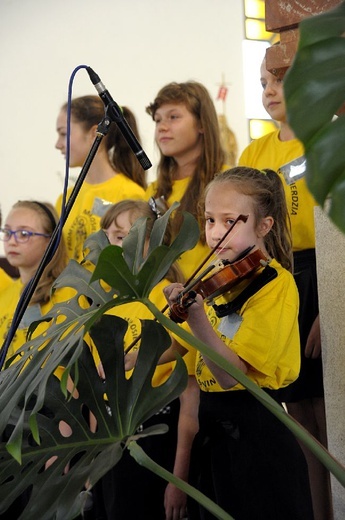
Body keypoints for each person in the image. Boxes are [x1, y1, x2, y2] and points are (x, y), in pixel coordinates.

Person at [163, 167, 314, 520]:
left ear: (264, 226)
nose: (215, 233)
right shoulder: (218, 278)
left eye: (229, 221)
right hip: (213, 430)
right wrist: (127, 358)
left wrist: (197, 318)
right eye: (210, 220)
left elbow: (232, 374)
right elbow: (177, 347)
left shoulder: (275, 285)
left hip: (256, 432)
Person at [238, 56, 331, 520]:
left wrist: (330, 307)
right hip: (278, 277)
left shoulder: (329, 139)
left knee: (328, 410)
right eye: (262, 83)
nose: (269, 90)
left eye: (279, 80)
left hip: (326, 273)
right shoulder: (255, 154)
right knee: (298, 417)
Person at [91, 199, 199, 520]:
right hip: (112, 438)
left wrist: (178, 478)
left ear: (150, 243)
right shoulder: (106, 304)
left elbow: (189, 394)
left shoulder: (169, 299)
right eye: (108, 235)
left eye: (123, 236)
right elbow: (99, 391)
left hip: (154, 435)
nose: (112, 243)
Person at [146, 81, 225, 280]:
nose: (162, 127)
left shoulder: (226, 184)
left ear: (201, 124)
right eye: (157, 120)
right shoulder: (153, 191)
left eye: (173, 117)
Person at [55, 95, 146, 263]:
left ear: (93, 133)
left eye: (64, 134)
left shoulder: (130, 194)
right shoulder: (66, 198)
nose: (58, 144)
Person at [0, 201, 70, 365]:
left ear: (50, 240)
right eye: (8, 232)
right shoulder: (6, 292)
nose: (12, 241)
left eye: (24, 234)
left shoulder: (65, 295)